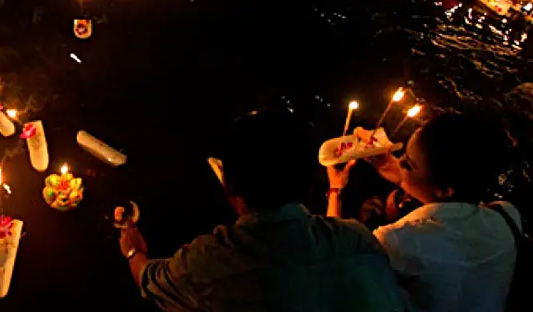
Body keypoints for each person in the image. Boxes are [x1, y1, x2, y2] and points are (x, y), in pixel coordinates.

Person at [120, 110, 405, 311]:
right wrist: (336, 191)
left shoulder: (211, 262)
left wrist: (133, 250)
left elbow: (149, 280)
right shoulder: (358, 240)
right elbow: (318, 250)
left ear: (229, 186)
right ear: (308, 184)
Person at [327, 112, 522, 312]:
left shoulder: (400, 241)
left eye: (409, 164)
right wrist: (403, 177)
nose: (399, 162)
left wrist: (335, 190)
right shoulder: (506, 216)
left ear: (445, 189)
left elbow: (329, 261)